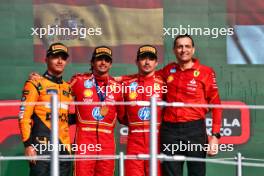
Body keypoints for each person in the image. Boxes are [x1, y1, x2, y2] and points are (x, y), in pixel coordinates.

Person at [159, 34, 222, 176]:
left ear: (193, 50)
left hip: (194, 130)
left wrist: (215, 136)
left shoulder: (206, 72)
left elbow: (216, 105)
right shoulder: (168, 70)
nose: (183, 50)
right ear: (174, 50)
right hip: (169, 131)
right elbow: (147, 77)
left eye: (187, 46)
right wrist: (120, 79)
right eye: (179, 46)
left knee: (197, 173)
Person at [18, 42, 73, 176]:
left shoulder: (68, 87)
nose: (60, 61)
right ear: (46, 59)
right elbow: (23, 117)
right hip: (41, 148)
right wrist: (28, 145)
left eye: (63, 58)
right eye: (55, 57)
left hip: (64, 148)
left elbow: (65, 117)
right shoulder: (35, 83)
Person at [69, 46, 125, 176]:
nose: (103, 62)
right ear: (92, 62)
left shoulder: (117, 87)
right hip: (85, 141)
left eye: (106, 60)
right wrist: (41, 80)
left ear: (110, 64)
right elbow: (59, 90)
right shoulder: (79, 81)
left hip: (107, 142)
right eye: (100, 59)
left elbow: (123, 116)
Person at [122, 45, 165, 176]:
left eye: (151, 59)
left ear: (156, 62)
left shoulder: (164, 84)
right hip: (135, 140)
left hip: (158, 139)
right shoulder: (126, 84)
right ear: (136, 61)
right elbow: (121, 113)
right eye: (143, 58)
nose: (147, 62)